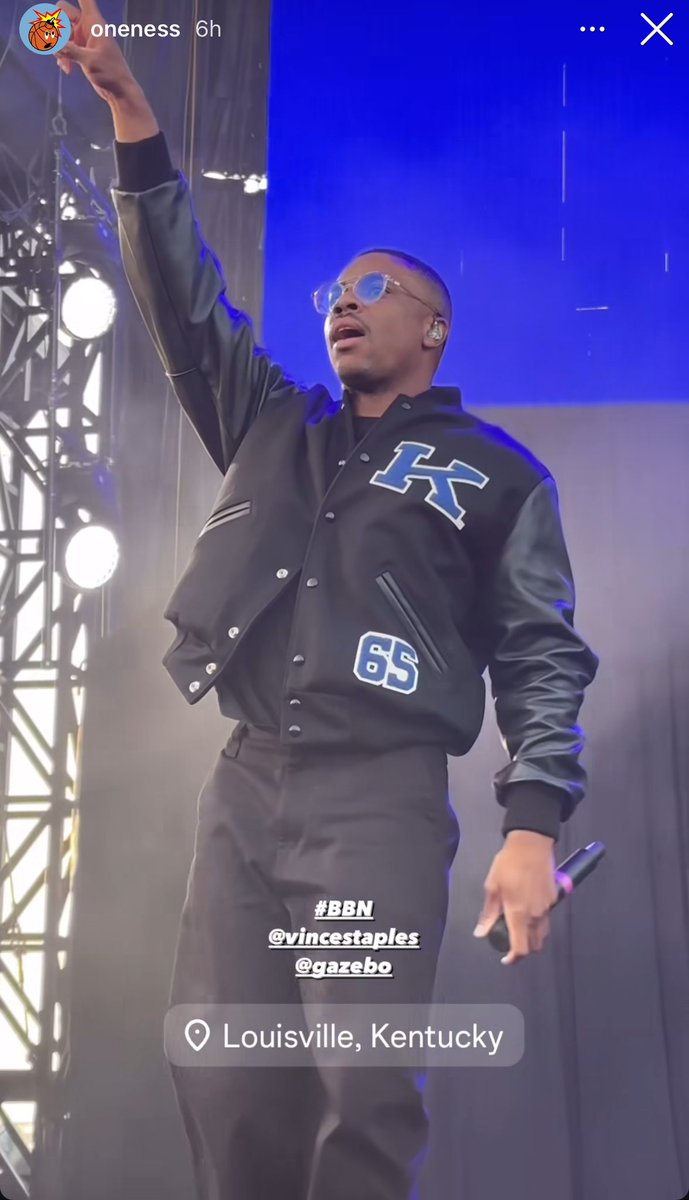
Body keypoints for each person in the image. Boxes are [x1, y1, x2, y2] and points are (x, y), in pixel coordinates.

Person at [57, 5, 599, 1199]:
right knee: (229, 1076)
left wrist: (530, 822)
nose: (341, 302)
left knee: (360, 1086)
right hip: (246, 782)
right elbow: (180, 296)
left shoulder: (498, 473)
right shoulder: (268, 419)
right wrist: (134, 116)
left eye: (373, 287)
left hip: (377, 797)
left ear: (430, 328)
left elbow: (539, 653)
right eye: (332, 291)